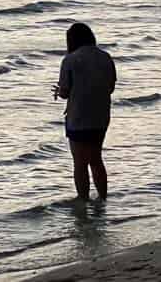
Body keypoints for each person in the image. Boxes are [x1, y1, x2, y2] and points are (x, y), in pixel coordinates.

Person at [53, 22, 116, 201]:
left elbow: (65, 91)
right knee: (96, 159)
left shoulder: (70, 60)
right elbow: (110, 87)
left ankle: (83, 202)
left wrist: (59, 91)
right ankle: (102, 199)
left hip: (78, 116)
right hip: (101, 115)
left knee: (80, 163)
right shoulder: (105, 57)